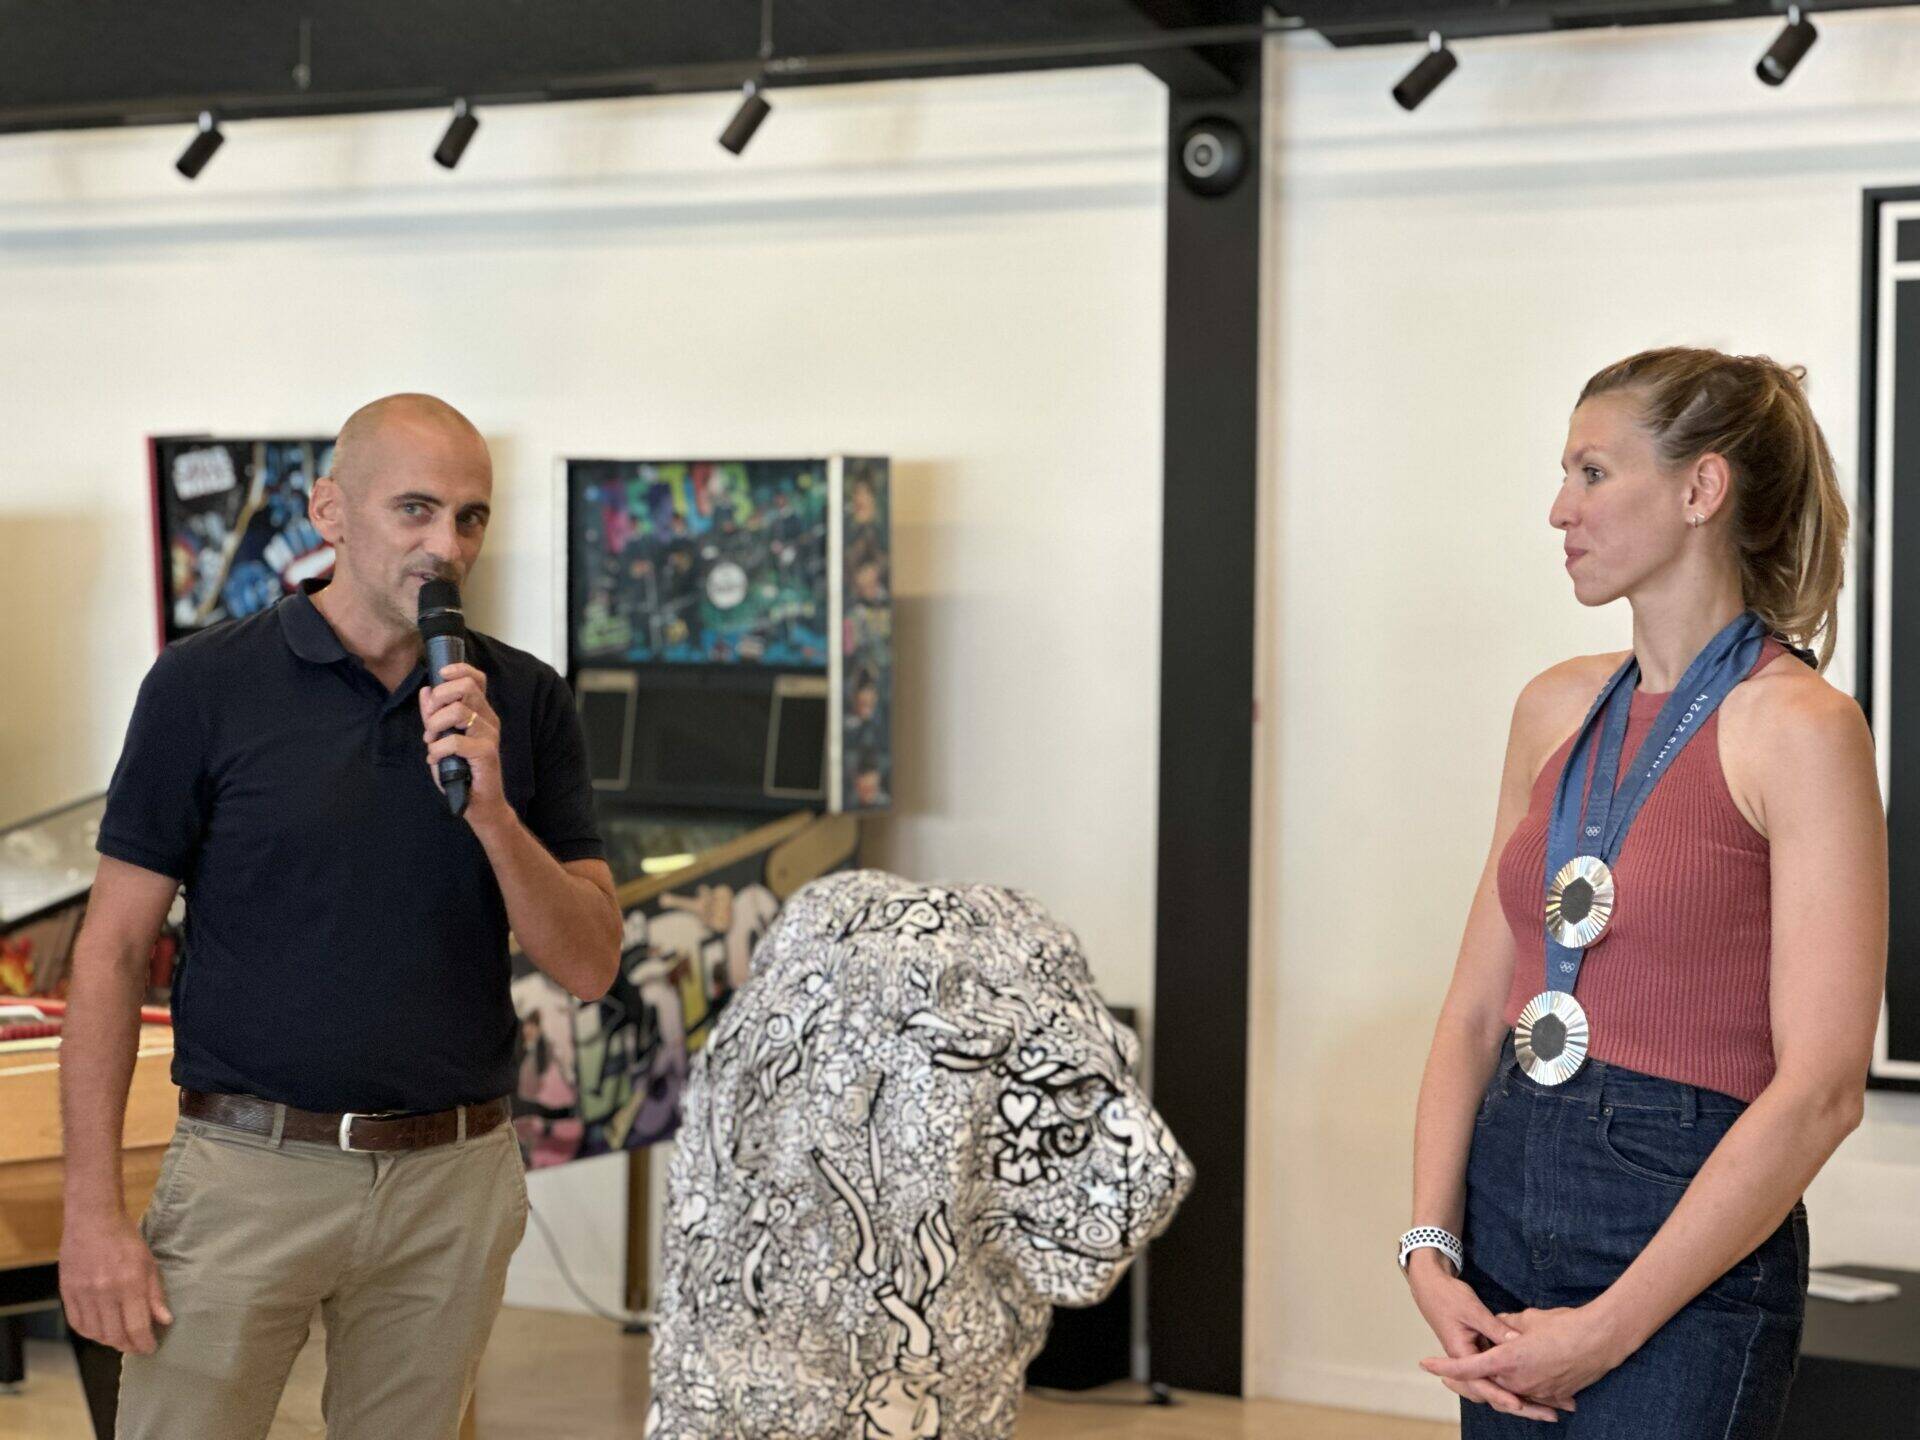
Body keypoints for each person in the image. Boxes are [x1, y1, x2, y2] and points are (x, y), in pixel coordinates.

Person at [58, 394, 622, 1438]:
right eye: (414, 509)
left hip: (453, 1180)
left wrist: (492, 811)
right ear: (331, 511)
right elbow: (111, 949)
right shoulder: (203, 686)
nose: (443, 545)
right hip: (249, 1172)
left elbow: (589, 965)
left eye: (470, 517)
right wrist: (91, 1216)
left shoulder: (525, 701)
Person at [1403, 348, 1887, 1434]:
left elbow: (1820, 1090)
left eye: (1591, 472)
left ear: (1699, 489)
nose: (1558, 509)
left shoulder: (1803, 729)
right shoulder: (1552, 709)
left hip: (1680, 1244)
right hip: (1506, 1200)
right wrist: (1430, 1247)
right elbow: (1480, 1009)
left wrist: (1608, 1327)